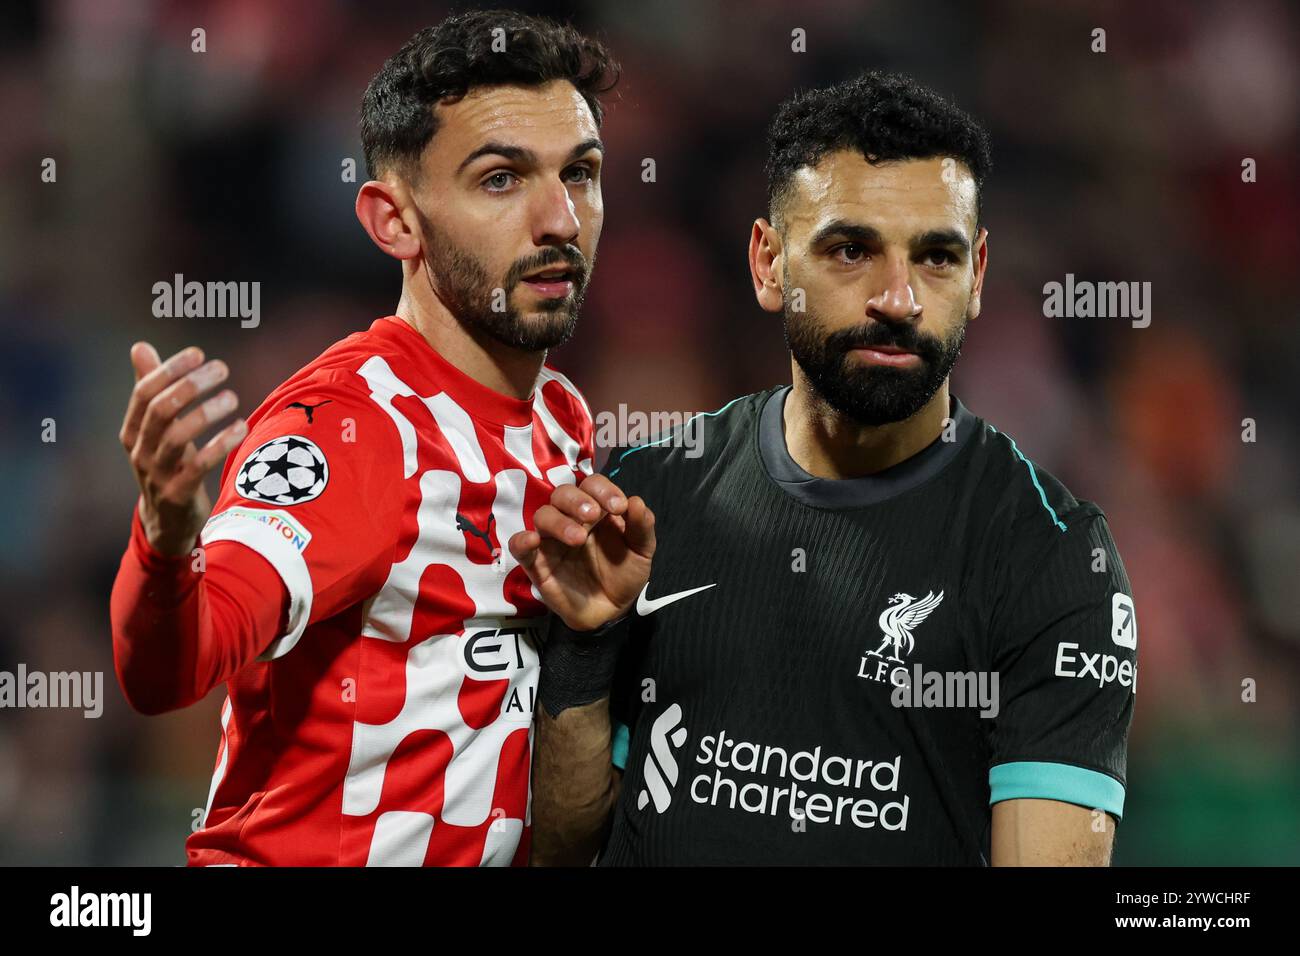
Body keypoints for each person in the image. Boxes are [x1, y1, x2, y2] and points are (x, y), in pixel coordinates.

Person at [519, 71, 1136, 866]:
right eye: (851, 250)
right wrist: (586, 644)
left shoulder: (1051, 559)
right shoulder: (651, 495)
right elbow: (563, 848)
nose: (898, 298)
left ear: (977, 277)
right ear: (769, 264)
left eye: (937, 257)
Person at [109, 10, 653, 867]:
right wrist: (167, 541)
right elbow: (169, 674)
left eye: (580, 174)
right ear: (394, 222)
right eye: (501, 179)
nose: (560, 218)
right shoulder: (356, 428)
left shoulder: (562, 417)